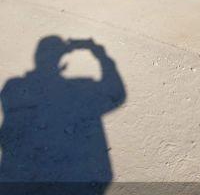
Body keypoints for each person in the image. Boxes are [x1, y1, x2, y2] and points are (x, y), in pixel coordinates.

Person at [0, 35, 125, 187]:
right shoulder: (79, 88)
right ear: (62, 61)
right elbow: (117, 94)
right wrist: (99, 52)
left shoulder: (13, 86)